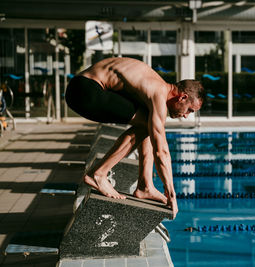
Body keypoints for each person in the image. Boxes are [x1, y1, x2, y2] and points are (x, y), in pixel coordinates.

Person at [65, 57, 205, 219]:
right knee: (147, 122)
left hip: (82, 87)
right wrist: (172, 194)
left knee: (146, 122)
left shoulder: (156, 86)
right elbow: (161, 151)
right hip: (86, 90)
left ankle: (145, 185)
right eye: (189, 110)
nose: (186, 116)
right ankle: (98, 174)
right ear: (183, 97)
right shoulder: (158, 93)